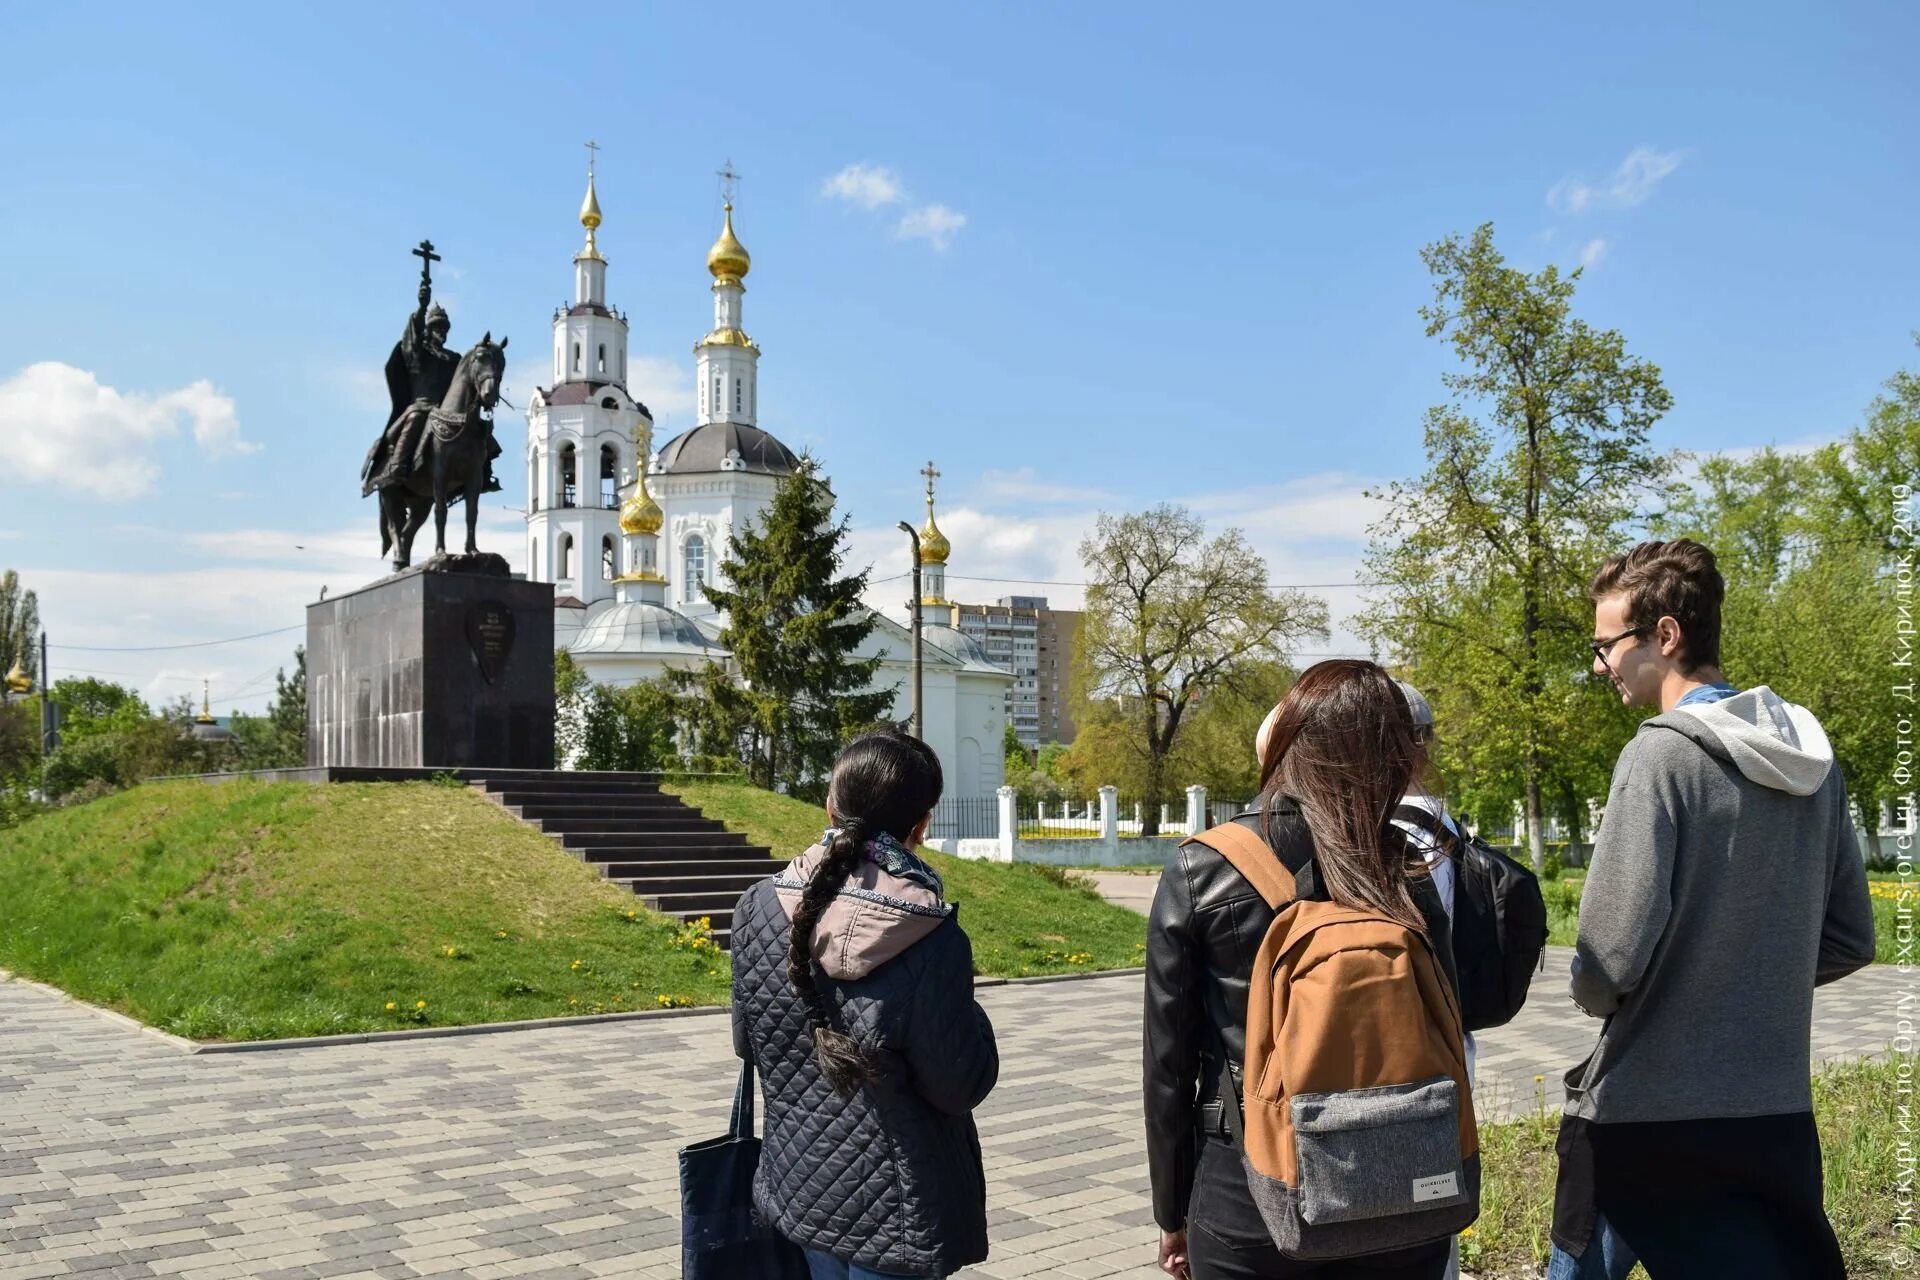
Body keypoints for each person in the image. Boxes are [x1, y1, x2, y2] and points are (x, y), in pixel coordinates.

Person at [1549, 539, 1875, 1280]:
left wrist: (1625, 991)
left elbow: (1608, 961)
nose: (1602, 667)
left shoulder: (1660, 757)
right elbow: (1853, 939)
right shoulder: (1815, 767)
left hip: (1643, 1113)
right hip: (1773, 1111)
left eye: (1607, 647)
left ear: (1664, 636)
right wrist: (1750, 978)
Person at [1146, 660, 1459, 1280]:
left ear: (1286, 738)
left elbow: (1169, 1067)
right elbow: (1447, 1023)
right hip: (1402, 1187)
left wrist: (1171, 1212)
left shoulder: (1203, 867)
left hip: (1251, 1193)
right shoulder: (1401, 868)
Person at [729, 730, 999, 1280]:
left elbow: (746, 1042)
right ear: (922, 823)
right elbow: (959, 1084)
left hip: (798, 1189)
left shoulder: (756, 906)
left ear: (830, 807)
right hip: (902, 1212)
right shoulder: (932, 936)